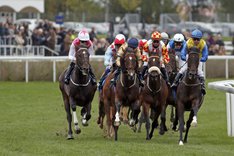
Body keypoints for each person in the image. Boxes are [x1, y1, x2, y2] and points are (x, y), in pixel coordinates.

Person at [171, 29, 208, 95]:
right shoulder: (188, 42)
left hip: (198, 58)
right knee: (183, 69)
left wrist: (203, 59)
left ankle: (203, 86)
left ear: (200, 39)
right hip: (190, 57)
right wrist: (183, 57)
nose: (196, 41)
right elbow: (183, 52)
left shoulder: (203, 43)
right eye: (194, 39)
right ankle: (175, 83)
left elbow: (205, 53)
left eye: (198, 39)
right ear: (192, 38)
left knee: (200, 72)